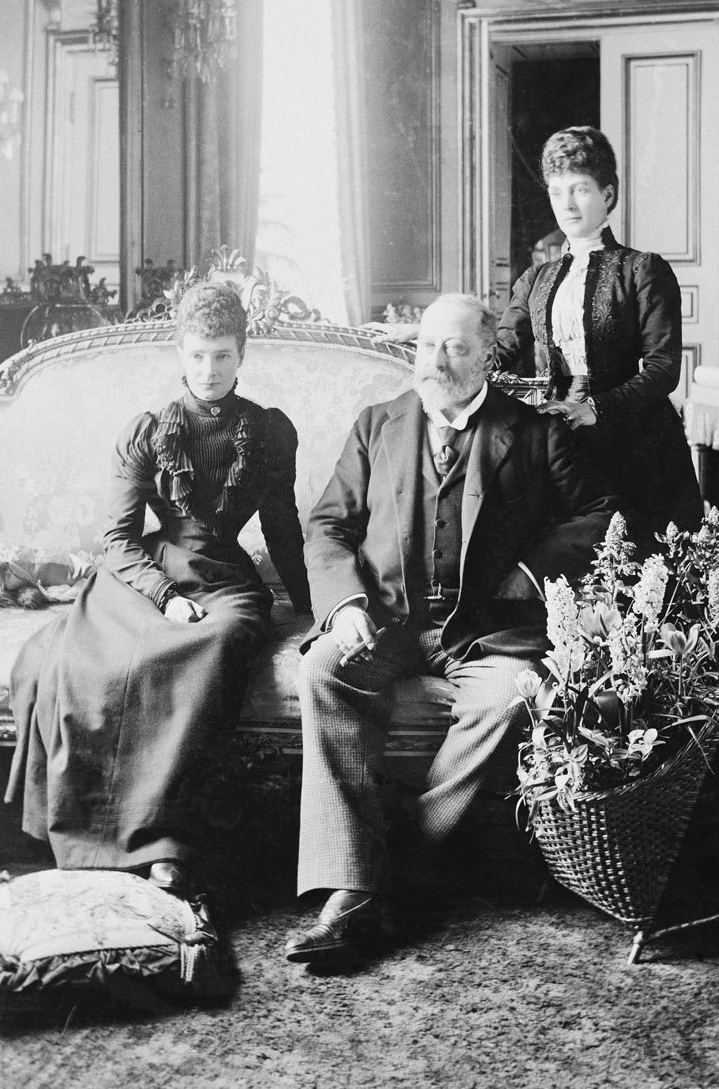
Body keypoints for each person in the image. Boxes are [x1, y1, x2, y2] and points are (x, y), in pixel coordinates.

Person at [285, 293, 618, 968]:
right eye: (427, 346)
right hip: (387, 619)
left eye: (457, 347)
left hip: (488, 634)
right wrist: (347, 605)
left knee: (508, 698)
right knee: (322, 670)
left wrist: (530, 570)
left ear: (487, 354)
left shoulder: (531, 432)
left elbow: (599, 511)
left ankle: (397, 874)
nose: (437, 361)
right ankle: (351, 881)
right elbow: (326, 527)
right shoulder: (377, 424)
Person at [6, 281, 310, 896]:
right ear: (180, 353)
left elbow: (283, 530)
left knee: (215, 645)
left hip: (226, 579)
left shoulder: (269, 431)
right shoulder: (147, 431)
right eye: (198, 355)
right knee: (89, 660)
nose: (210, 370)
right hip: (147, 573)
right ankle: (95, 835)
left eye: (223, 355)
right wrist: (163, 595)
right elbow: (117, 539)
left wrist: (314, 606)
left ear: (242, 354)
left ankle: (166, 840)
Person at [494, 125, 703, 541]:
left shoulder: (643, 269)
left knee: (641, 566)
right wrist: (435, 335)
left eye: (580, 189)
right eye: (556, 191)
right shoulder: (536, 279)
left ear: (607, 195)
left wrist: (596, 408)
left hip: (635, 438)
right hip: (560, 441)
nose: (567, 204)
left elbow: (663, 369)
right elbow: (500, 350)